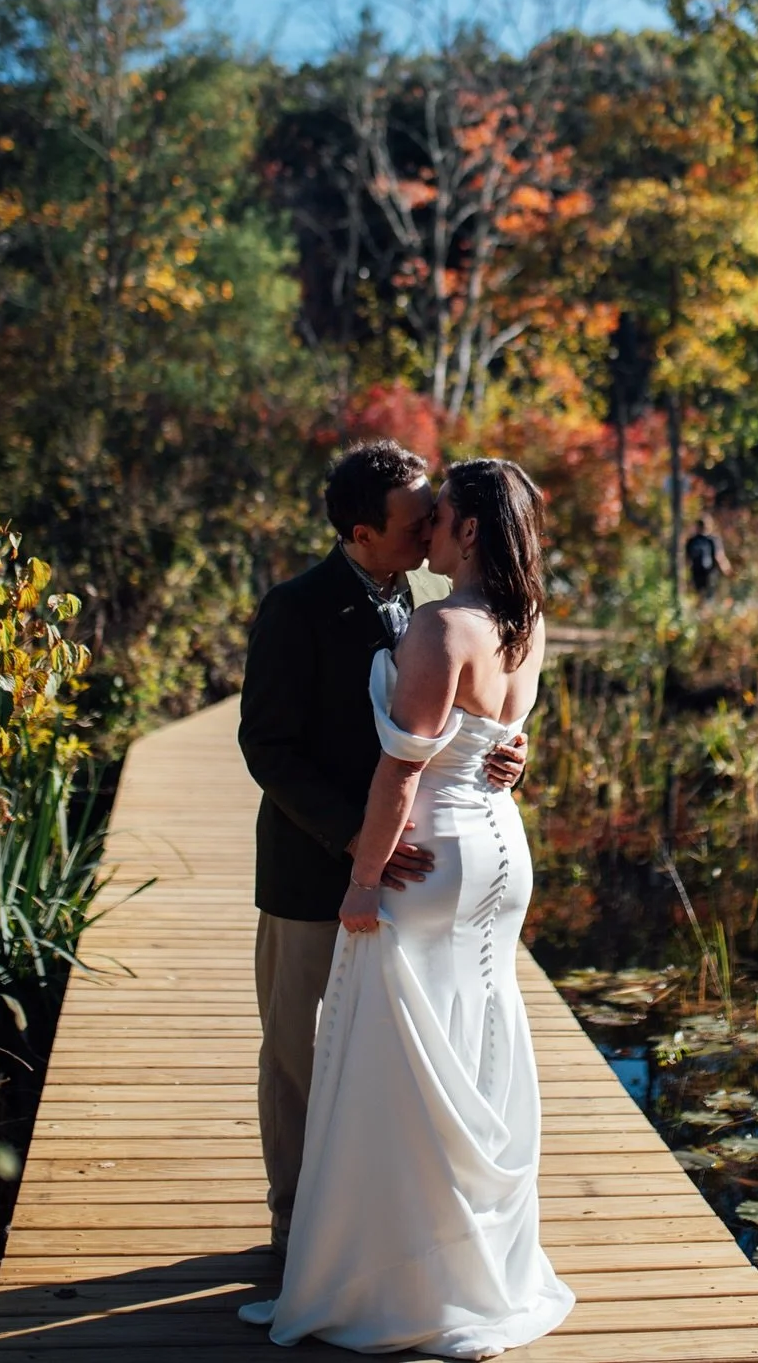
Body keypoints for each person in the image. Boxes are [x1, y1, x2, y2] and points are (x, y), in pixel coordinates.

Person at [239, 458, 575, 1359]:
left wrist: (508, 748)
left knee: (405, 1049)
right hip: (322, 866)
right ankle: (297, 1228)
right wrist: (356, 845)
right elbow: (265, 746)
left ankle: (387, 1240)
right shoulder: (295, 608)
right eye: (412, 517)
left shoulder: (437, 611)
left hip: (419, 866)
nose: (428, 527)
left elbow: (444, 734)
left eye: (437, 512)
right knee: (300, 1052)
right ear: (359, 532)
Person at [684, 513, 730, 601]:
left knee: (699, 596)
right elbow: (719, 557)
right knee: (710, 597)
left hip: (696, 572)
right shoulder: (713, 540)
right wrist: (727, 570)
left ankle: (701, 611)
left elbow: (687, 560)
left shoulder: (691, 541)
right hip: (710, 572)